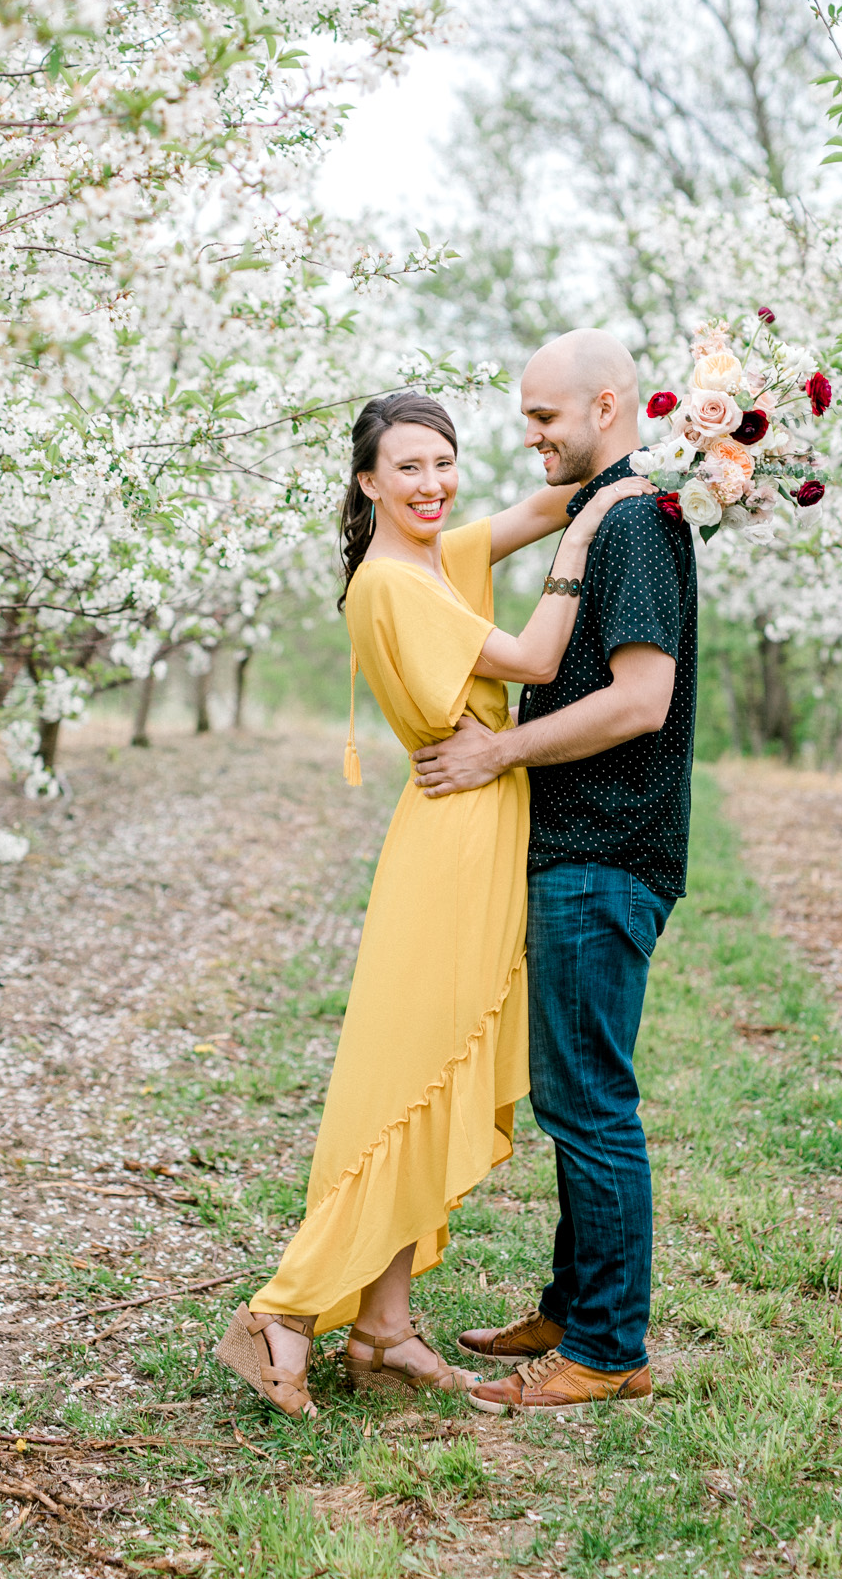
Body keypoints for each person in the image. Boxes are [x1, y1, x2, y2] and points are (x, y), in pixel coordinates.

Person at [215, 389, 647, 1418]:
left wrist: (657, 460)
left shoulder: (432, 557)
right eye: (408, 467)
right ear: (368, 480)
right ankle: (281, 1312)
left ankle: (384, 1326)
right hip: (454, 839)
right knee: (409, 1080)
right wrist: (591, 538)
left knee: (428, 1082)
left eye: (444, 462)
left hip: (477, 825)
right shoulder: (395, 582)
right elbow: (540, 657)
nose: (432, 483)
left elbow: (545, 508)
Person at [413, 330, 697, 1415]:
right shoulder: (606, 511)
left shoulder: (629, 520)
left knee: (589, 1102)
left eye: (545, 418)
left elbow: (640, 699)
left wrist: (497, 749)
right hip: (584, 842)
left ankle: (609, 1347)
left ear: (608, 405)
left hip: (606, 842)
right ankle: (576, 1306)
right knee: (577, 1089)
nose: (528, 436)